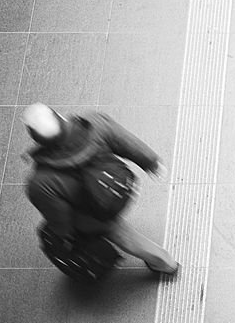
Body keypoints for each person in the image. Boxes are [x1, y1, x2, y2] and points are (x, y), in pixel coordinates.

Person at [23, 103, 179, 276]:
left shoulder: (40, 182)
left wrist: (65, 236)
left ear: (36, 139)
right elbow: (125, 141)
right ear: (59, 116)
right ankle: (165, 264)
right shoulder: (94, 122)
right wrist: (151, 162)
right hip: (123, 186)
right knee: (117, 226)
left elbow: (60, 218)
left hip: (96, 213)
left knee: (120, 234)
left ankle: (165, 263)